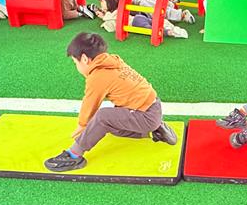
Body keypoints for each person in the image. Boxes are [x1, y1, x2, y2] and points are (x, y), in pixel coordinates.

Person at [44, 32, 178, 172]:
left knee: (102, 117)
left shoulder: (98, 76)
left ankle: (74, 155)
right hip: (152, 108)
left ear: (84, 59)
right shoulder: (113, 61)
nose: (76, 66)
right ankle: (155, 132)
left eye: (75, 62)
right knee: (108, 125)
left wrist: (82, 124)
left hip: (146, 116)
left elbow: (90, 103)